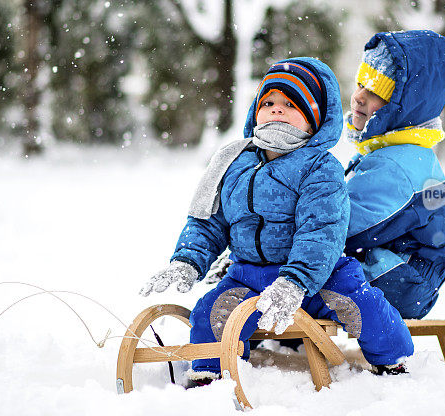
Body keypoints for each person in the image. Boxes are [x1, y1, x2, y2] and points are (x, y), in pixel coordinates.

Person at [140, 57, 413, 385]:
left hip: (320, 277)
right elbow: (209, 221)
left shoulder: (319, 167)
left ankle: (393, 359)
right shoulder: (234, 163)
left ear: (313, 121)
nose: (277, 109)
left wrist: (296, 280)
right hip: (248, 276)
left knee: (362, 306)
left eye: (291, 104)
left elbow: (321, 229)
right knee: (210, 314)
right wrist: (188, 260)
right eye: (268, 102)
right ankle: (209, 376)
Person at [344, 30, 445, 319]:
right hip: (403, 273)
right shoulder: (399, 152)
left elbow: (344, 226)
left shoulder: (398, 165)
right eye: (360, 84)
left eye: (375, 93)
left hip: (403, 277)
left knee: (316, 265)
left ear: (404, 107)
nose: (358, 97)